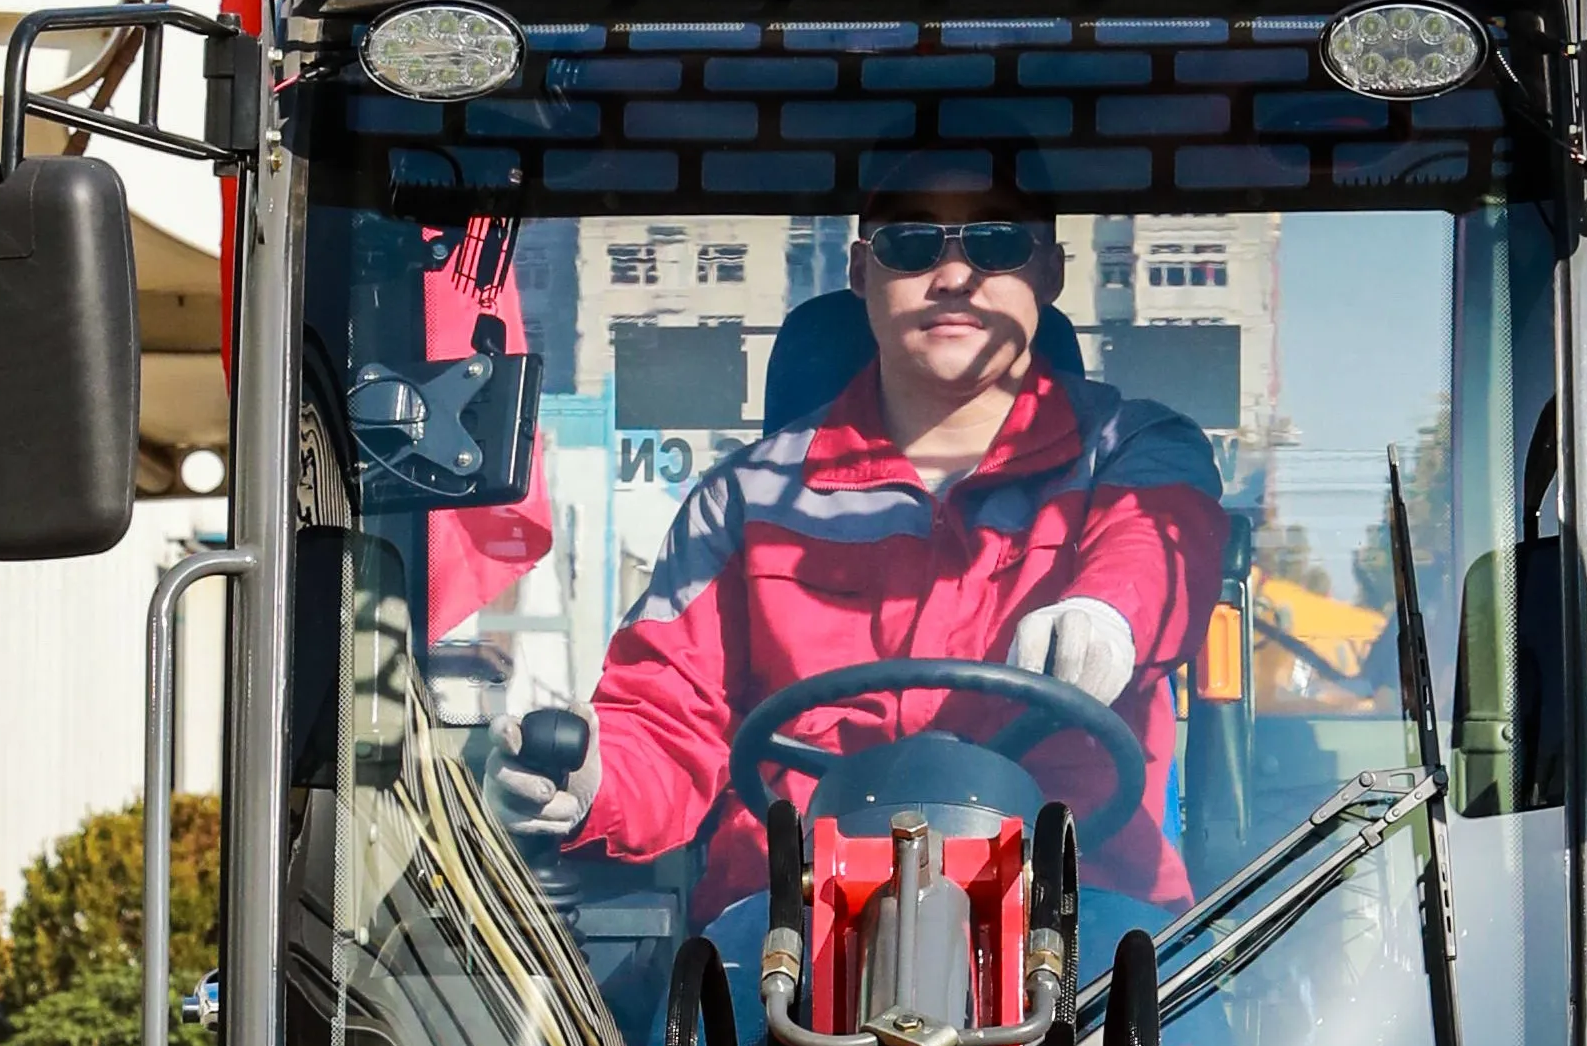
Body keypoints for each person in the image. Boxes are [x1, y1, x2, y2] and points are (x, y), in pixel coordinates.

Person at [491, 189, 1226, 910]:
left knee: (1160, 1019)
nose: (954, 275)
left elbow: (1157, 550)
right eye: (911, 245)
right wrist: (590, 780)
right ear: (858, 272)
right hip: (793, 914)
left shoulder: (1130, 452)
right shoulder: (747, 499)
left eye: (996, 242)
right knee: (697, 1021)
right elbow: (668, 719)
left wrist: (1106, 617)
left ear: (1050, 273)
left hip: (1072, 911)